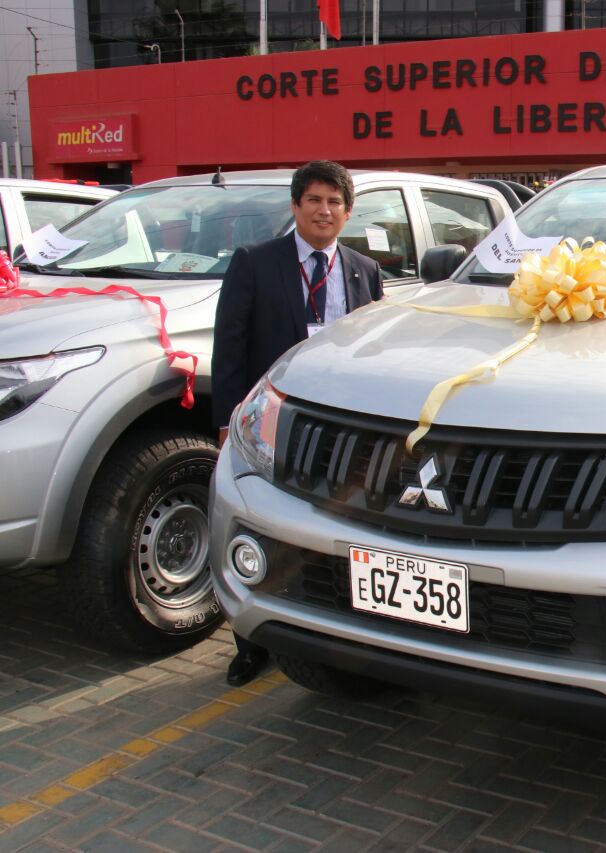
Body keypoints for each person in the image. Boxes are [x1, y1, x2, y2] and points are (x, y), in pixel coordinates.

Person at [212, 160, 384, 686]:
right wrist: (226, 421)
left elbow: (380, 354)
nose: (324, 211)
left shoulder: (364, 271)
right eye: (313, 200)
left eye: (334, 202)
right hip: (276, 421)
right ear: (295, 206)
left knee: (330, 530)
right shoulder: (255, 263)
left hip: (344, 430)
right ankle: (249, 645)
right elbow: (230, 347)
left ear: (348, 212)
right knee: (265, 524)